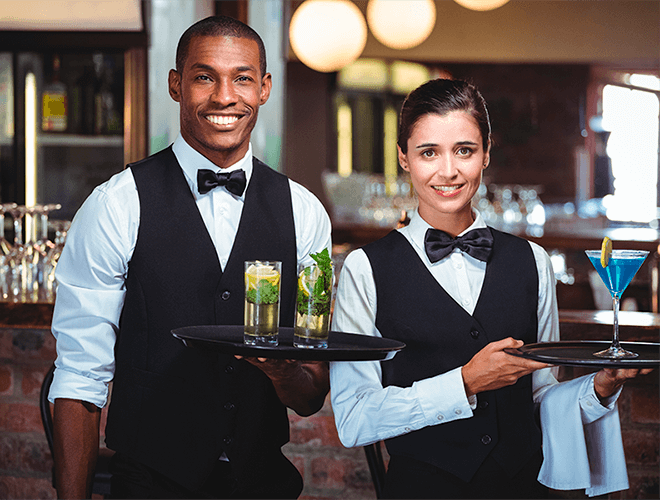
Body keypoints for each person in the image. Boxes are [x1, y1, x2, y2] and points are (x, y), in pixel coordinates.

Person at [48, 16, 332, 500]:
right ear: (176, 85)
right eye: (205, 77)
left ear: (263, 89)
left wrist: (282, 368)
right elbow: (79, 375)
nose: (225, 97)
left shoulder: (305, 213)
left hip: (262, 482)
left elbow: (309, 397)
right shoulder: (117, 203)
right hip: (151, 481)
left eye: (242, 78)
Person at [329, 78, 652, 499]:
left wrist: (598, 390)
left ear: (485, 154)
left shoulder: (532, 261)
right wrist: (464, 382)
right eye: (429, 152)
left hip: (523, 488)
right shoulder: (365, 268)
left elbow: (541, 398)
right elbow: (354, 419)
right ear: (404, 158)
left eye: (464, 150)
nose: (448, 171)